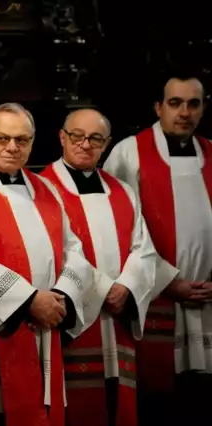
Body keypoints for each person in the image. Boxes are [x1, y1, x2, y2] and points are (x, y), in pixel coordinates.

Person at [0, 103, 98, 426]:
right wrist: (28, 301)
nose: (12, 147)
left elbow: (75, 251)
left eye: (22, 140)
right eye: (2, 138)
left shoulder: (46, 188)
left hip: (43, 333)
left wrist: (60, 298)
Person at [39, 109, 179, 426]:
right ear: (62, 137)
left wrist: (126, 287)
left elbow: (143, 249)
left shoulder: (123, 192)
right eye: (77, 136)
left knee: (118, 406)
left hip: (116, 322)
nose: (85, 144)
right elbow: (50, 254)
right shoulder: (41, 190)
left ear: (107, 144)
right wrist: (100, 290)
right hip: (74, 320)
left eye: (96, 138)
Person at [103, 72, 212, 425]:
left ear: (203, 108)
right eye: (175, 103)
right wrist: (169, 282)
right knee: (160, 403)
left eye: (193, 104)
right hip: (155, 299)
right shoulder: (129, 153)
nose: (184, 112)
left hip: (208, 299)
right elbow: (115, 229)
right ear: (158, 107)